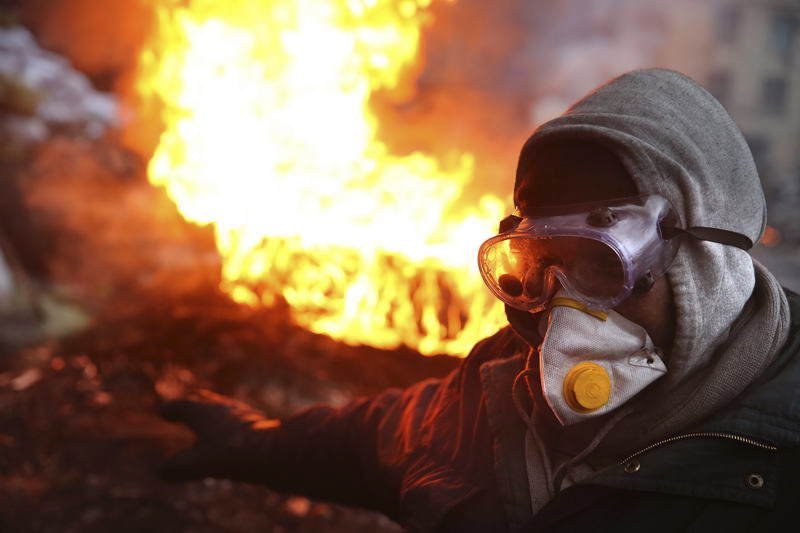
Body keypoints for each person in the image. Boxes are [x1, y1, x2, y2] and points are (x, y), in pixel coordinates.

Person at [159, 69, 799, 532]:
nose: (562, 310)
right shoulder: (489, 405)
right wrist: (253, 441)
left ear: (708, 263)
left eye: (600, 266)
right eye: (538, 267)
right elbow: (368, 439)